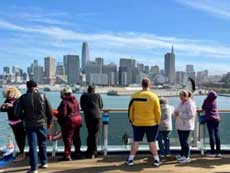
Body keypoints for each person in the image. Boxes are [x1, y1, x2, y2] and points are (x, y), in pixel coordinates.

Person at [15, 81, 53, 173]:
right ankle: (44, 162)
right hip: (42, 123)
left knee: (32, 146)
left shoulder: (23, 98)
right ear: (36, 86)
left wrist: (24, 117)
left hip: (30, 124)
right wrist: (49, 122)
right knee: (43, 143)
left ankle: (34, 168)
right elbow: (50, 110)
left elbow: (17, 113)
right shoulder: (43, 96)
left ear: (27, 87)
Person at [127, 78, 161, 167]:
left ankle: (130, 159)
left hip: (137, 123)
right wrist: (157, 121)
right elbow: (158, 111)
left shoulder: (134, 96)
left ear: (141, 85)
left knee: (136, 141)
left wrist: (132, 120)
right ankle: (156, 160)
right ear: (149, 85)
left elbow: (130, 110)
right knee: (152, 142)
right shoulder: (153, 96)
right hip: (151, 123)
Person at [0, 87, 26, 161]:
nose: (8, 97)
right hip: (12, 122)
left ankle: (22, 152)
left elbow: (22, 110)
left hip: (19, 122)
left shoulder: (19, 100)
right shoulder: (8, 100)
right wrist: (3, 107)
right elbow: (2, 109)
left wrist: (12, 106)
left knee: (21, 138)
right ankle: (21, 152)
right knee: (17, 138)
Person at [57, 87, 82, 161]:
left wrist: (58, 116)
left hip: (70, 122)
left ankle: (67, 155)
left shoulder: (64, 102)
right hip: (78, 120)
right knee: (76, 137)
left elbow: (63, 114)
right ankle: (77, 153)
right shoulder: (75, 100)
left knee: (68, 138)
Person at [80, 85, 103, 159]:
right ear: (94, 90)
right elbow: (101, 106)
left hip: (89, 116)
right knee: (95, 134)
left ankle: (90, 151)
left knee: (90, 134)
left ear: (88, 90)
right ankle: (93, 152)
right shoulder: (98, 96)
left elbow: (82, 106)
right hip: (97, 116)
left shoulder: (84, 96)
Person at [174, 90, 196, 164]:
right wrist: (175, 113)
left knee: (184, 141)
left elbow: (191, 115)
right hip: (180, 125)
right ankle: (182, 155)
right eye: (179, 96)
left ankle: (187, 156)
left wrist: (179, 113)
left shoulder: (190, 104)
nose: (180, 98)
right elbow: (176, 110)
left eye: (181, 96)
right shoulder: (181, 103)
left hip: (186, 125)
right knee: (182, 141)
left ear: (185, 96)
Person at [202, 90, 221, 157]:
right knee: (217, 134)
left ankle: (212, 152)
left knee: (211, 135)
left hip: (210, 119)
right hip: (217, 118)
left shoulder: (207, 100)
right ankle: (218, 152)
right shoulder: (215, 101)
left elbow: (203, 107)